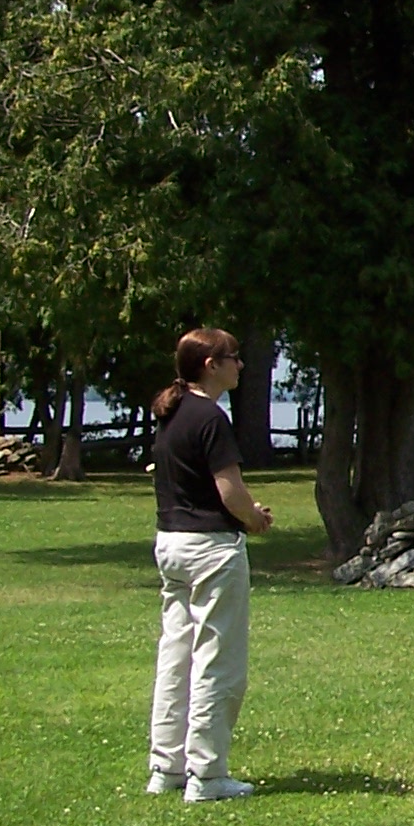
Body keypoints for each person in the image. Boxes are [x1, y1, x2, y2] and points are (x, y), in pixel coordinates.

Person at [147, 327, 273, 801]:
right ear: (210, 366)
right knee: (217, 661)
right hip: (211, 550)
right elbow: (229, 491)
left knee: (175, 657)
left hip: (172, 544)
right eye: (232, 358)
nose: (240, 365)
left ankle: (167, 767)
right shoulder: (210, 417)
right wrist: (254, 518)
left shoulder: (173, 412)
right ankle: (208, 773)